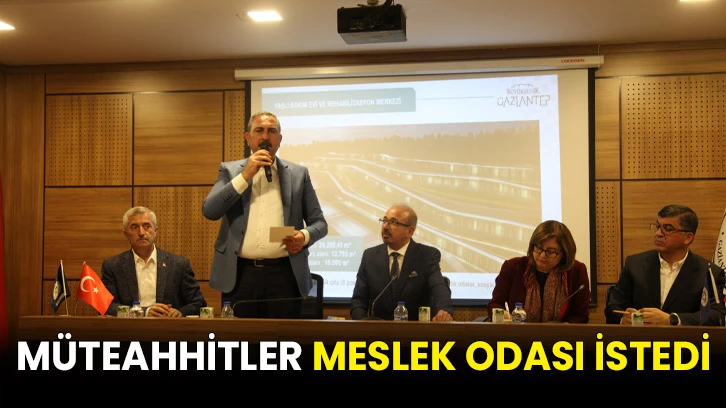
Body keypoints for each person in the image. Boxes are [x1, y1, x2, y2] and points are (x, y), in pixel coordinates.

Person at [202, 111, 328, 318]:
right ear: (248, 137)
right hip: (240, 274)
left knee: (282, 336)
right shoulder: (230, 170)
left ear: (280, 139)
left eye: (272, 131)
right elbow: (210, 211)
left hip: (284, 274)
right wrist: (245, 175)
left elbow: (320, 223)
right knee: (238, 337)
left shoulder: (298, 174)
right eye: (259, 130)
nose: (265, 137)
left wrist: (303, 236)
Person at [605, 204, 726, 326]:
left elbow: (716, 316)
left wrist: (672, 319)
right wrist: (623, 318)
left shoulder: (709, 272)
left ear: (688, 238)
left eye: (668, 229)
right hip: (641, 336)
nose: (658, 233)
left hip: (684, 338)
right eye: (658, 227)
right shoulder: (634, 265)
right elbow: (612, 308)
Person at [350, 204, 454, 321]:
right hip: (378, 329)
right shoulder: (370, 256)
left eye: (393, 222)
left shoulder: (426, 255)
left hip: (415, 329)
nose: (385, 226)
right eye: (384, 220)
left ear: (410, 231)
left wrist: (443, 311)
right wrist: (363, 323)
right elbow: (358, 301)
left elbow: (439, 287)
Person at [101, 206, 207, 317]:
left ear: (155, 231)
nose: (141, 232)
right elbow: (106, 306)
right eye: (135, 227)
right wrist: (144, 312)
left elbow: (198, 303)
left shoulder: (178, 264)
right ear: (126, 233)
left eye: (147, 226)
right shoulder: (113, 266)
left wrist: (180, 312)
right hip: (130, 327)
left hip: (168, 326)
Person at [488, 220, 590, 323]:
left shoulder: (576, 271)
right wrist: (503, 316)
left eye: (550, 251)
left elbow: (581, 316)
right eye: (538, 248)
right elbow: (495, 304)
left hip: (561, 333)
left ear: (564, 253)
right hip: (518, 331)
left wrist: (565, 326)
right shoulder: (513, 267)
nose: (542, 255)